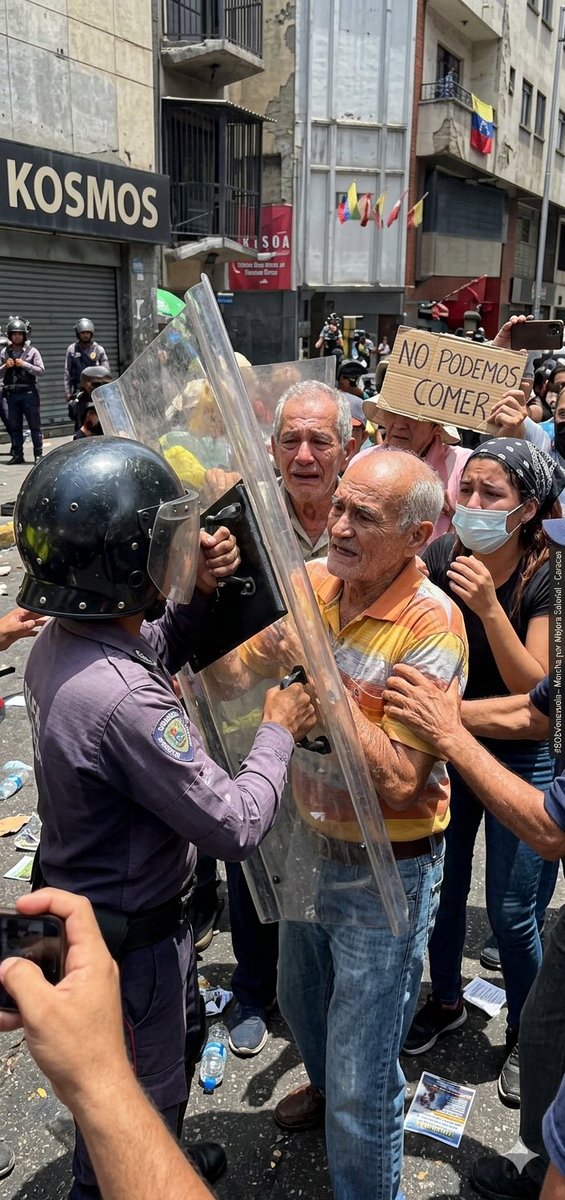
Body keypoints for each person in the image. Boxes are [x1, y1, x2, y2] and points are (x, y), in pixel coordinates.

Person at [15, 436, 316, 1199]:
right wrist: (278, 724)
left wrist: (202, 593)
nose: (180, 554)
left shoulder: (66, 642)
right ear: (125, 564)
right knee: (127, 1109)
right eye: (164, 545)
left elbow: (154, 645)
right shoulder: (124, 703)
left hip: (113, 913)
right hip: (131, 938)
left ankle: (166, 1156)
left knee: (169, 1060)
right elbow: (236, 826)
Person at [227, 447, 468, 1200]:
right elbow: (234, 673)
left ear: (417, 534)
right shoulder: (310, 583)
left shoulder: (435, 626)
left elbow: (399, 783)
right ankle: (329, 1093)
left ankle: (358, 1141)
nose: (337, 526)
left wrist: (318, 671)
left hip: (386, 872)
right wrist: (253, 649)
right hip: (307, 841)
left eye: (364, 516)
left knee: (367, 1080)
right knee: (301, 1003)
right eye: (338, 506)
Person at [402, 438, 564, 1110]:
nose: (469, 506)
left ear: (526, 509)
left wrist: (492, 612)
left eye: (490, 495)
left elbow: (540, 704)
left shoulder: (547, 575)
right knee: (437, 891)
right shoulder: (441, 556)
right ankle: (444, 1001)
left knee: (509, 911)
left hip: (521, 761)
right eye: (464, 491)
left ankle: (529, 1032)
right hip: (452, 748)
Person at [225, 380, 356, 1058]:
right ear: (272, 447)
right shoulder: (241, 518)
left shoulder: (364, 511)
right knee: (251, 859)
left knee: (332, 861)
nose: (304, 455)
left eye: (319, 441)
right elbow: (204, 620)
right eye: (291, 441)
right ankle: (251, 990)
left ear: (347, 447)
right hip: (254, 717)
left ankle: (319, 990)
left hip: (345, 731)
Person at [0, 887, 214, 1200]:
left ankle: (166, 1160)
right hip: (139, 941)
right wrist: (98, 1081)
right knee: (99, 1179)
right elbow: (235, 840)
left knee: (175, 1069)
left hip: (163, 925)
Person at [362, 391, 472, 541]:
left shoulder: (465, 467)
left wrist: (458, 516)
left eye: (413, 415)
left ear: (436, 426)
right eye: (392, 411)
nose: (400, 425)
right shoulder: (363, 462)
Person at [0, 317, 44, 465]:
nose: (17, 336)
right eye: (14, 334)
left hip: (29, 394)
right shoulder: (4, 352)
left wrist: (24, 364)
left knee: (34, 425)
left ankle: (38, 454)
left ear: (25, 335)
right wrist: (5, 367)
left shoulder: (33, 352)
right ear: (10, 336)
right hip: (11, 394)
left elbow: (41, 370)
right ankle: (18, 454)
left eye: (20, 334)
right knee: (15, 426)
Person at [64, 319, 109, 408]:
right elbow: (67, 373)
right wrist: (68, 392)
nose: (85, 335)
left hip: (95, 389)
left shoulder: (98, 349)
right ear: (78, 334)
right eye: (83, 333)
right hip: (78, 389)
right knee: (76, 414)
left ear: (91, 334)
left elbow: (106, 372)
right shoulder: (72, 349)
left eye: (88, 333)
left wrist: (104, 390)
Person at [68, 364, 112, 431]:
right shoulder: (80, 397)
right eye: (96, 384)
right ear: (85, 384)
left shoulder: (110, 396)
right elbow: (73, 415)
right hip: (86, 436)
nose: (100, 387)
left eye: (105, 384)